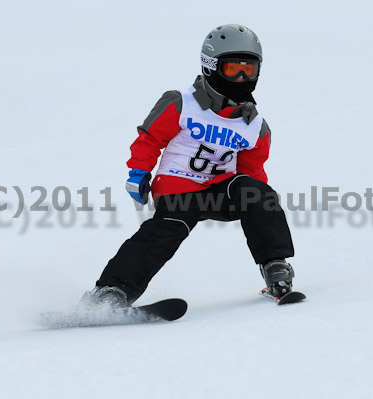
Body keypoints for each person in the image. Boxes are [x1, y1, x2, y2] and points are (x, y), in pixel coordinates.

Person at [82, 24, 297, 307]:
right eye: (234, 69)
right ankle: (110, 292)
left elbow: (251, 171)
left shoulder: (255, 126)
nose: (243, 77)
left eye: (250, 69)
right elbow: (149, 139)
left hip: (221, 191)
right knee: (166, 230)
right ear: (211, 66)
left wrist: (256, 200)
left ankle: (275, 269)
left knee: (259, 192)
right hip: (178, 188)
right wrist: (139, 172)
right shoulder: (181, 103)